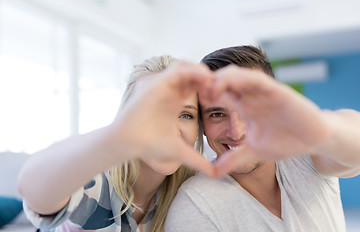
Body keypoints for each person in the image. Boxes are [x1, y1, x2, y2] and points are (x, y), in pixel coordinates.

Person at [165, 46, 360, 231]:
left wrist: (316, 128)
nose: (236, 132)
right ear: (202, 125)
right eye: (217, 114)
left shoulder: (303, 156)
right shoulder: (196, 204)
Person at [17, 56, 216, 232]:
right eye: (154, 111)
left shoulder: (195, 190)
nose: (171, 130)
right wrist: (116, 137)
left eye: (186, 115)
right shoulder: (95, 185)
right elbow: (34, 189)